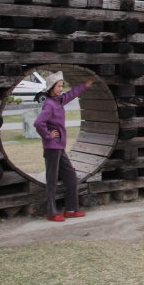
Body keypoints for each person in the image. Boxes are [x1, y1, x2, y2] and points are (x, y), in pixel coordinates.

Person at [34, 71, 94, 222]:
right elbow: (38, 123)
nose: (61, 88)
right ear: (51, 87)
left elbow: (71, 94)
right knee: (52, 180)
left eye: (62, 86)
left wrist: (85, 85)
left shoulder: (59, 101)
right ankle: (51, 212)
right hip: (52, 149)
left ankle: (71, 209)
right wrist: (48, 135)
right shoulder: (49, 104)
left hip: (60, 148)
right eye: (59, 86)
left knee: (71, 177)